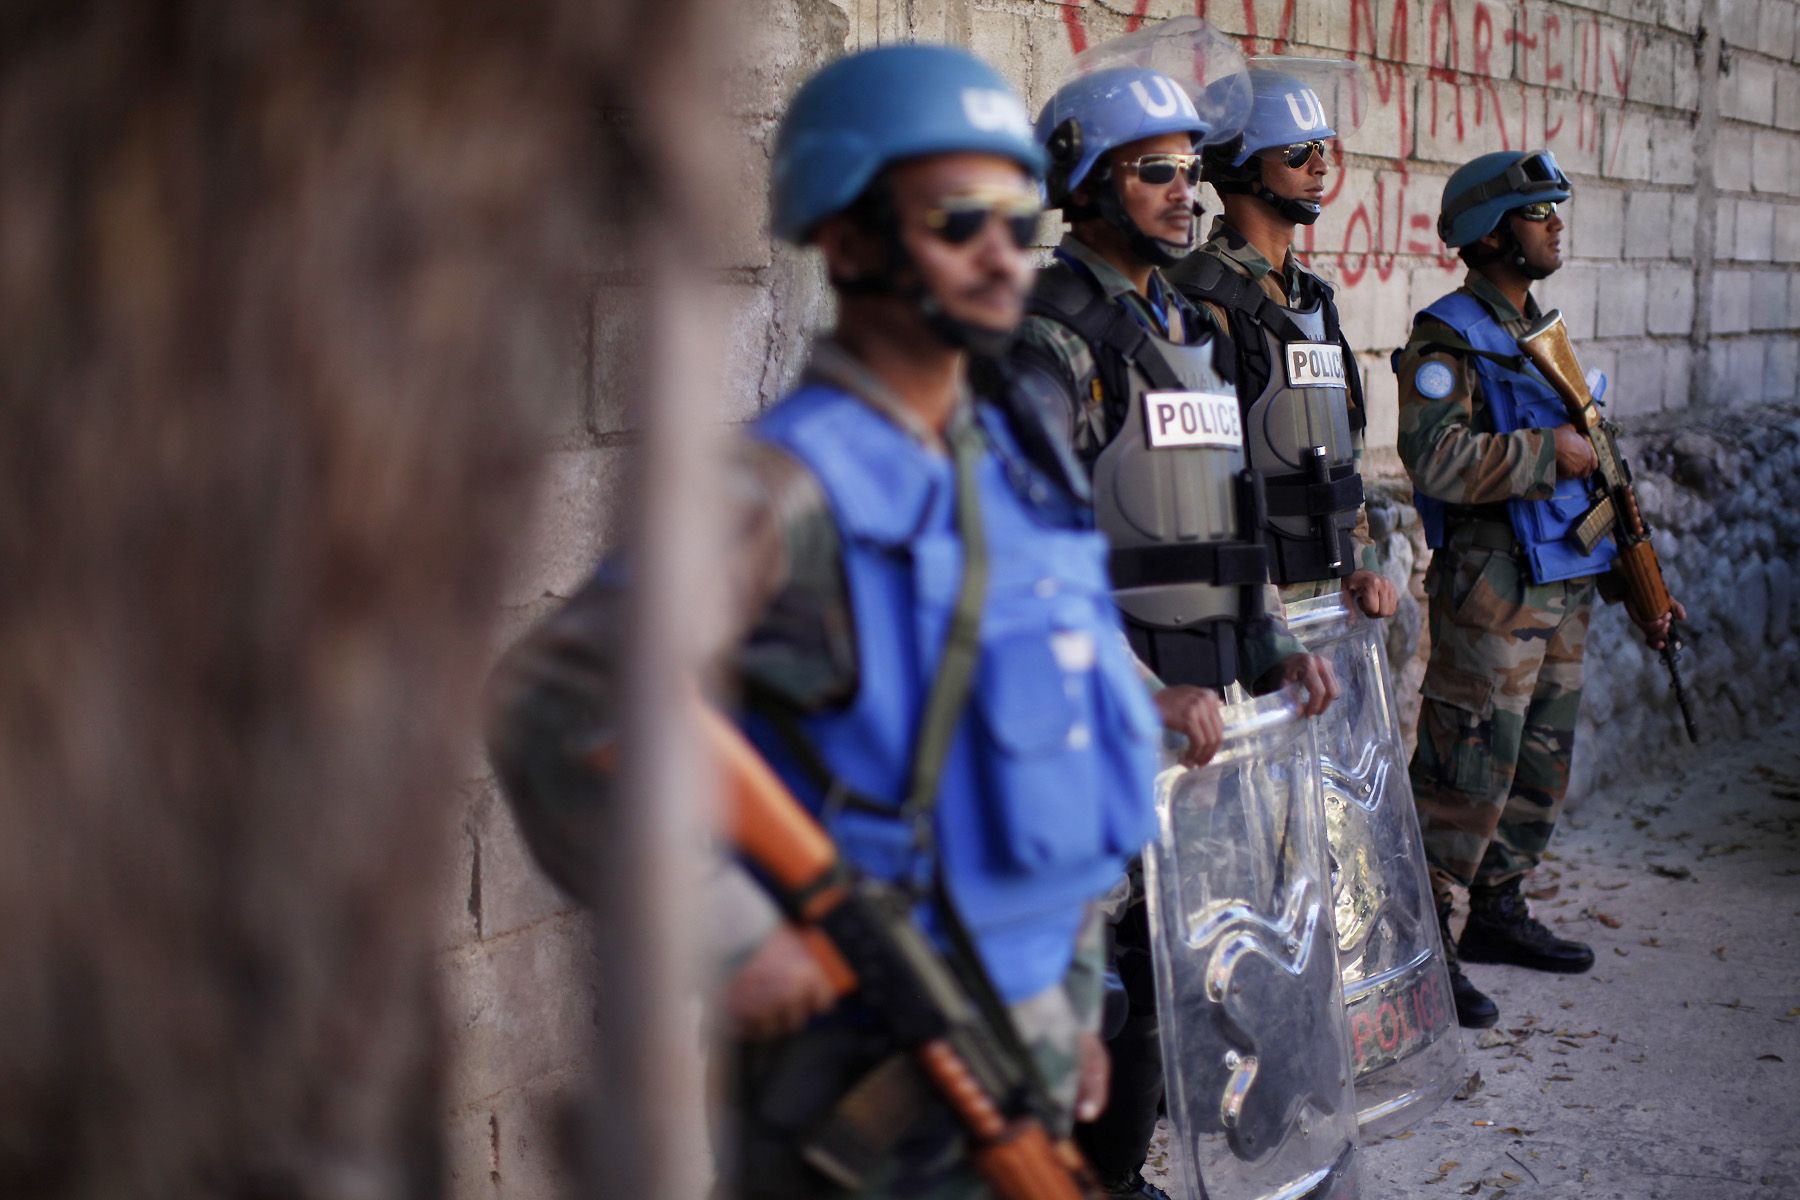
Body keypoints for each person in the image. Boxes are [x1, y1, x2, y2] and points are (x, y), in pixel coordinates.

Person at [487, 44, 1216, 1198]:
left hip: (1021, 1036)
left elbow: (1048, 775)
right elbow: (558, 701)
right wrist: (731, 931)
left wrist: (1070, 1012)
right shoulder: (788, 489)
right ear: (848, 237)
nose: (999, 254)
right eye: (956, 218)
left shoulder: (1016, 464)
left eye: (1017, 219)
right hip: (861, 1077)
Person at [1010, 62, 1338, 1200]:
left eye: (1192, 172)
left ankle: (1115, 1177)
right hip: (1102, 714)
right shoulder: (1050, 337)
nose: (1184, 192)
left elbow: (1223, 516)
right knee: (1090, 983)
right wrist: (1134, 690)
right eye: (1154, 171)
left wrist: (1272, 652)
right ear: (1086, 185)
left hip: (1205, 706)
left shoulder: (1187, 317)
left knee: (1171, 967)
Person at [1396, 149, 1683, 1029]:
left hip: (1562, 581)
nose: (1557, 222)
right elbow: (1433, 458)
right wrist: (1539, 454)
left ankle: (1498, 913)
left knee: (1536, 765)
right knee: (1463, 770)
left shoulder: (1543, 331)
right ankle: (1421, 949)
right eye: (1539, 210)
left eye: (1558, 207)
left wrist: (1643, 583)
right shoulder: (1446, 337)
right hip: (1494, 589)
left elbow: (1597, 453)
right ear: (1491, 233)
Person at [1165, 62, 1395, 620]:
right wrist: (1252, 605)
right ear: (1241, 162)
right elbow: (1188, 481)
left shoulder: (1313, 299)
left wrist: (1357, 556)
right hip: (1249, 606)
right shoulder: (1198, 300)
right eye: (1296, 151)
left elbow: (1345, 445)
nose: (1321, 166)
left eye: (1320, 147)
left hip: (1328, 593)